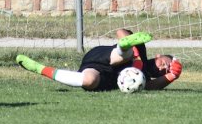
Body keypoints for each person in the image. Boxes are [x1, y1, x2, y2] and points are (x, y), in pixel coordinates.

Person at [16, 30, 183, 91]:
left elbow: (152, 86)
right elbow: (120, 31)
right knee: (127, 55)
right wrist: (137, 57)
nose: (164, 68)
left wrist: (172, 76)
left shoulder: (143, 79)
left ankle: (40, 68)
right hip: (104, 56)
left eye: (166, 70)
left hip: (103, 75)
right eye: (165, 63)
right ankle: (124, 47)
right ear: (159, 55)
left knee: (88, 81)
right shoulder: (142, 51)